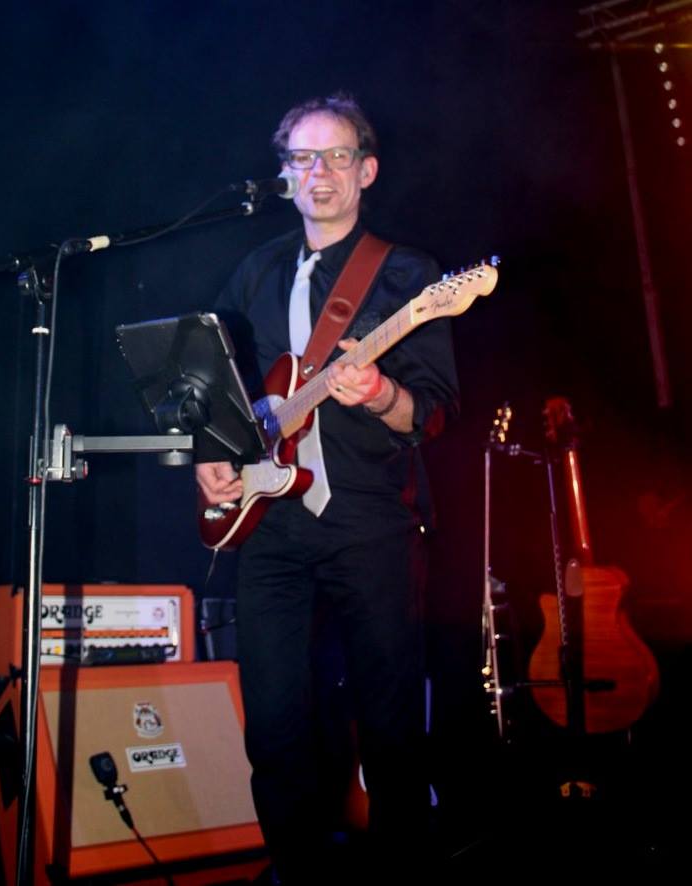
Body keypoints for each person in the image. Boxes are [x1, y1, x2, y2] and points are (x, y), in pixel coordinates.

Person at [196, 93, 459, 884]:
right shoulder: (255, 270)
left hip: (369, 518)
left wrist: (379, 392)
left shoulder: (408, 275)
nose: (320, 172)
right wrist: (214, 453)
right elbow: (222, 390)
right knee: (273, 723)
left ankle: (401, 867)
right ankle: (294, 870)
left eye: (337, 156)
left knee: (386, 720)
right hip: (269, 521)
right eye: (303, 159)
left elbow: (434, 413)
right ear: (283, 176)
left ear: (366, 169)